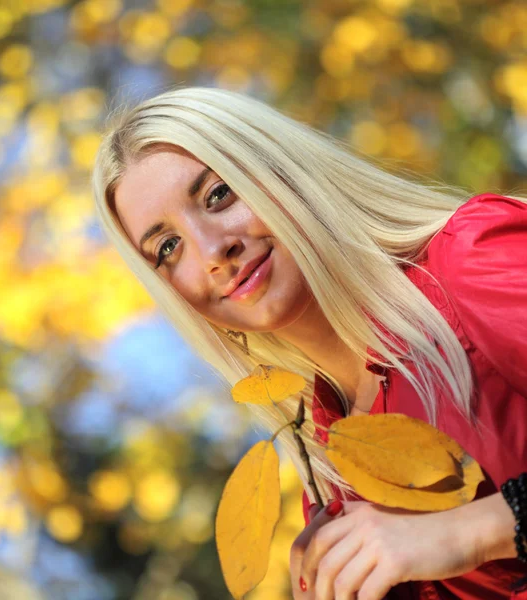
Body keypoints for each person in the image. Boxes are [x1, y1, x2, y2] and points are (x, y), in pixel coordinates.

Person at [92, 85, 527, 599]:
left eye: (218, 195)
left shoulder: (468, 264)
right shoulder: (328, 477)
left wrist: (475, 531)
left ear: (280, 170)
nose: (213, 251)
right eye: (168, 247)